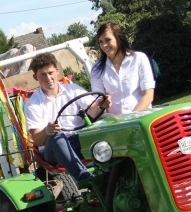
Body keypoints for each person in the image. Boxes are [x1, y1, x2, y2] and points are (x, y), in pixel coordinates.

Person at [25, 53, 110, 182]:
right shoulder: (33, 104)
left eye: (50, 73)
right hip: (54, 150)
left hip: (80, 139)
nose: (48, 78)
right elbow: (37, 140)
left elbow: (93, 111)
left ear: (57, 71)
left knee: (108, 118)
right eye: (43, 75)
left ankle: (121, 162)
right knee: (57, 136)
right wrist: (47, 131)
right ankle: (85, 178)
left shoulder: (73, 90)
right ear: (35, 77)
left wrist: (102, 104)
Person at [90, 21, 155, 115]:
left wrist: (131, 119)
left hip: (142, 117)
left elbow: (148, 96)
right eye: (101, 42)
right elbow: (97, 103)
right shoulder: (97, 69)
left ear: (119, 39)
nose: (104, 45)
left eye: (108, 40)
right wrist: (102, 104)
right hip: (116, 122)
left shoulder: (139, 58)